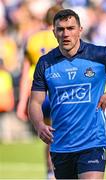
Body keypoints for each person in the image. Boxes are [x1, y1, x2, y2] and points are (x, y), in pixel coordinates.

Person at [28, 9, 106, 179]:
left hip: (92, 142)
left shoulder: (99, 55)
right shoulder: (45, 63)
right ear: (54, 32)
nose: (66, 34)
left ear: (80, 30)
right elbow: (35, 102)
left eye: (71, 28)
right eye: (61, 29)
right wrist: (39, 124)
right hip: (61, 145)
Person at [17, 5, 63, 180]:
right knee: (62, 132)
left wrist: (22, 103)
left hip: (38, 92)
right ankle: (62, 170)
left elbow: (25, 74)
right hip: (58, 90)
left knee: (49, 133)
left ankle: (50, 173)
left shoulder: (32, 40)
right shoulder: (63, 37)